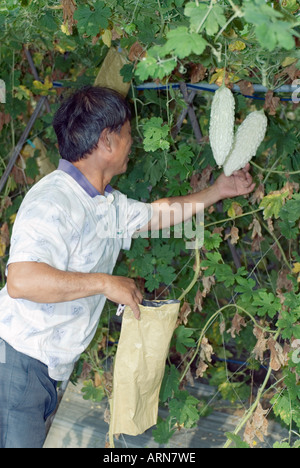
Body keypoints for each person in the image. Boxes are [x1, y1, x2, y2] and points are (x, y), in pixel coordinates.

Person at [0, 86, 255, 448]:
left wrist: (218, 190)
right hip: (16, 364)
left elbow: (157, 214)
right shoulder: (53, 200)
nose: (132, 143)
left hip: (46, 370)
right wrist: (105, 283)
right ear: (107, 141)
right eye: (128, 134)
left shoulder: (105, 204)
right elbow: (21, 281)